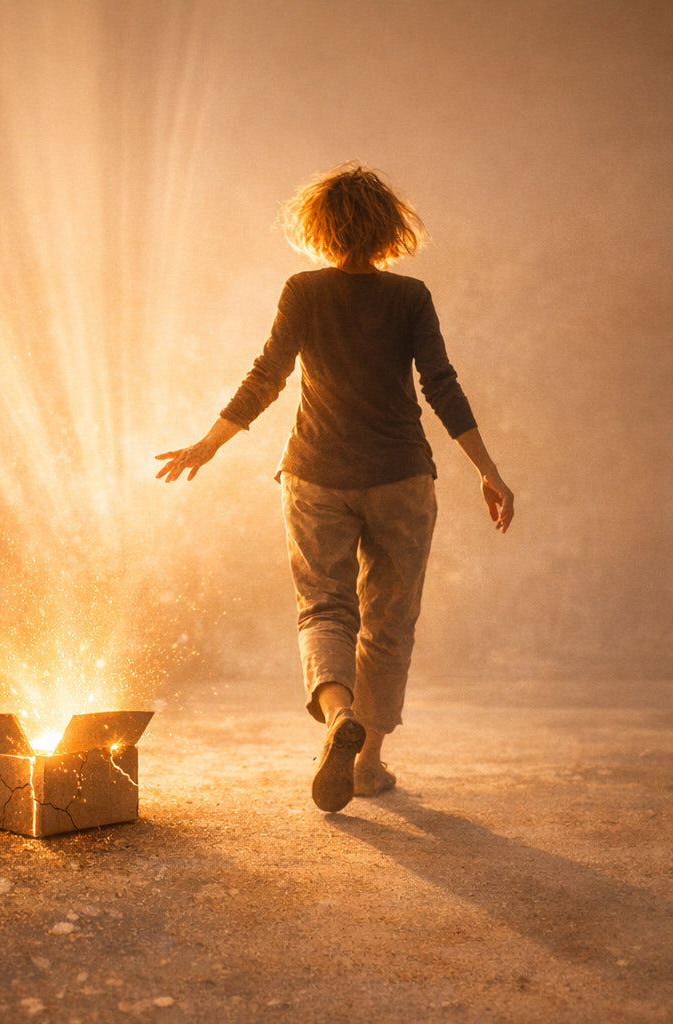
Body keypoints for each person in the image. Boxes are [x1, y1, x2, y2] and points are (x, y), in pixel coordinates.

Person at [155, 161, 514, 814]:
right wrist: (487, 469)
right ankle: (368, 763)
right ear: (388, 231)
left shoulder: (303, 291)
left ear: (319, 227)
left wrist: (207, 445)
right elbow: (442, 385)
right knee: (389, 623)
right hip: (403, 478)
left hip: (315, 476)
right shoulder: (411, 299)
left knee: (324, 608)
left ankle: (338, 713)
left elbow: (267, 375)